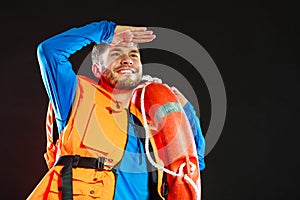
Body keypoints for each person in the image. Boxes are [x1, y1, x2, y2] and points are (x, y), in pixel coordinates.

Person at [27, 20, 205, 200]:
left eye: (134, 55)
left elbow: (193, 162)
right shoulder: (74, 96)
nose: (127, 59)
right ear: (97, 69)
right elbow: (50, 51)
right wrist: (107, 31)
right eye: (116, 53)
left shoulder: (148, 127)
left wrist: (184, 110)